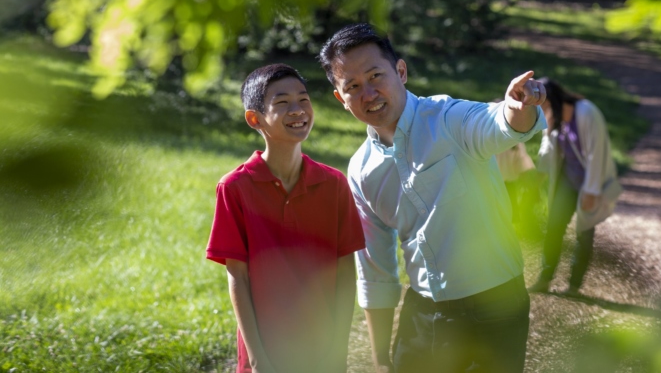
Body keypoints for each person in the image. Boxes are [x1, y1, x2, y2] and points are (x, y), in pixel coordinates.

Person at [318, 23, 547, 373]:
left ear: (401, 71)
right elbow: (376, 271)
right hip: (424, 311)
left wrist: (519, 104)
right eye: (352, 86)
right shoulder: (362, 170)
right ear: (340, 98)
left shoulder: (447, 118)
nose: (369, 93)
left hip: (498, 303)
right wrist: (380, 360)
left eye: (376, 75)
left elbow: (500, 123)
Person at [205, 63, 366, 373]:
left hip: (322, 351)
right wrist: (256, 360)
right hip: (265, 353)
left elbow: (346, 271)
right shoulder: (235, 188)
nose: (298, 110)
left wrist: (338, 348)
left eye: (303, 99)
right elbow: (237, 276)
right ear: (255, 119)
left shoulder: (334, 184)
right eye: (282, 103)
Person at [528, 77, 621, 296]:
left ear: (553, 99)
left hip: (591, 183)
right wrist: (538, 178)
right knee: (554, 227)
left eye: (543, 105)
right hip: (568, 182)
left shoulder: (587, 112)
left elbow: (597, 154)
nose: (541, 111)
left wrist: (591, 191)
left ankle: (574, 286)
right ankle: (545, 278)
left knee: (584, 233)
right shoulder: (552, 117)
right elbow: (547, 150)